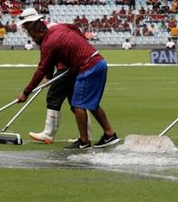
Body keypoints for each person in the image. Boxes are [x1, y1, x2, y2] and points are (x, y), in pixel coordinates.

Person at [17, 9, 119, 149]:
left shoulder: (48, 43)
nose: (34, 40)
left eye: (34, 36)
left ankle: (84, 142)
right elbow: (74, 28)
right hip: (97, 61)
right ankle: (109, 135)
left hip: (88, 67)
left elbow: (41, 68)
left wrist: (26, 92)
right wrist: (80, 46)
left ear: (40, 32)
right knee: (92, 104)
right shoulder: (57, 27)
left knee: (78, 104)